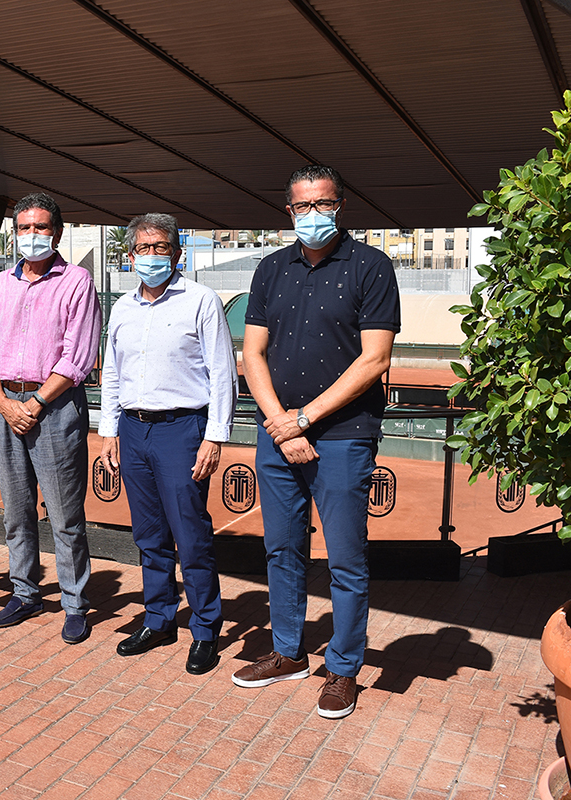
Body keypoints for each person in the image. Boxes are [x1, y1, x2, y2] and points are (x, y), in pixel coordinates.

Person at [232, 165, 400, 719]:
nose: (313, 214)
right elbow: (252, 353)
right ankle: (287, 653)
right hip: (278, 433)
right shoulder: (270, 268)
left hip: (343, 436)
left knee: (345, 560)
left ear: (340, 205)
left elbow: (374, 360)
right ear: (289, 210)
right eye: (303, 206)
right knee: (281, 550)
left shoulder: (371, 267)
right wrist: (281, 422)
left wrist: (303, 420)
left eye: (323, 204)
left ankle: (343, 669)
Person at [99, 213, 237, 673]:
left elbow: (222, 373)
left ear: (177, 253)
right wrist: (109, 430)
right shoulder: (123, 307)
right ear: (130, 255)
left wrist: (215, 436)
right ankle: (158, 619)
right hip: (133, 429)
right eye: (143, 248)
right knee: (148, 535)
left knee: (191, 535)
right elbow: (113, 371)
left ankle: (205, 629)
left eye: (161, 247)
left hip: (182, 429)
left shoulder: (201, 300)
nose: (152, 256)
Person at [0, 192, 103, 645]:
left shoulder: (77, 281)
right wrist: (3, 402)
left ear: (57, 232)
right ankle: (25, 592)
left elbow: (78, 355)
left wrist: (35, 404)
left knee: (65, 516)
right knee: (15, 510)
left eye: (41, 227)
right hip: (5, 403)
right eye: (24, 228)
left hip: (55, 406)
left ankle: (75, 603)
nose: (32, 235)